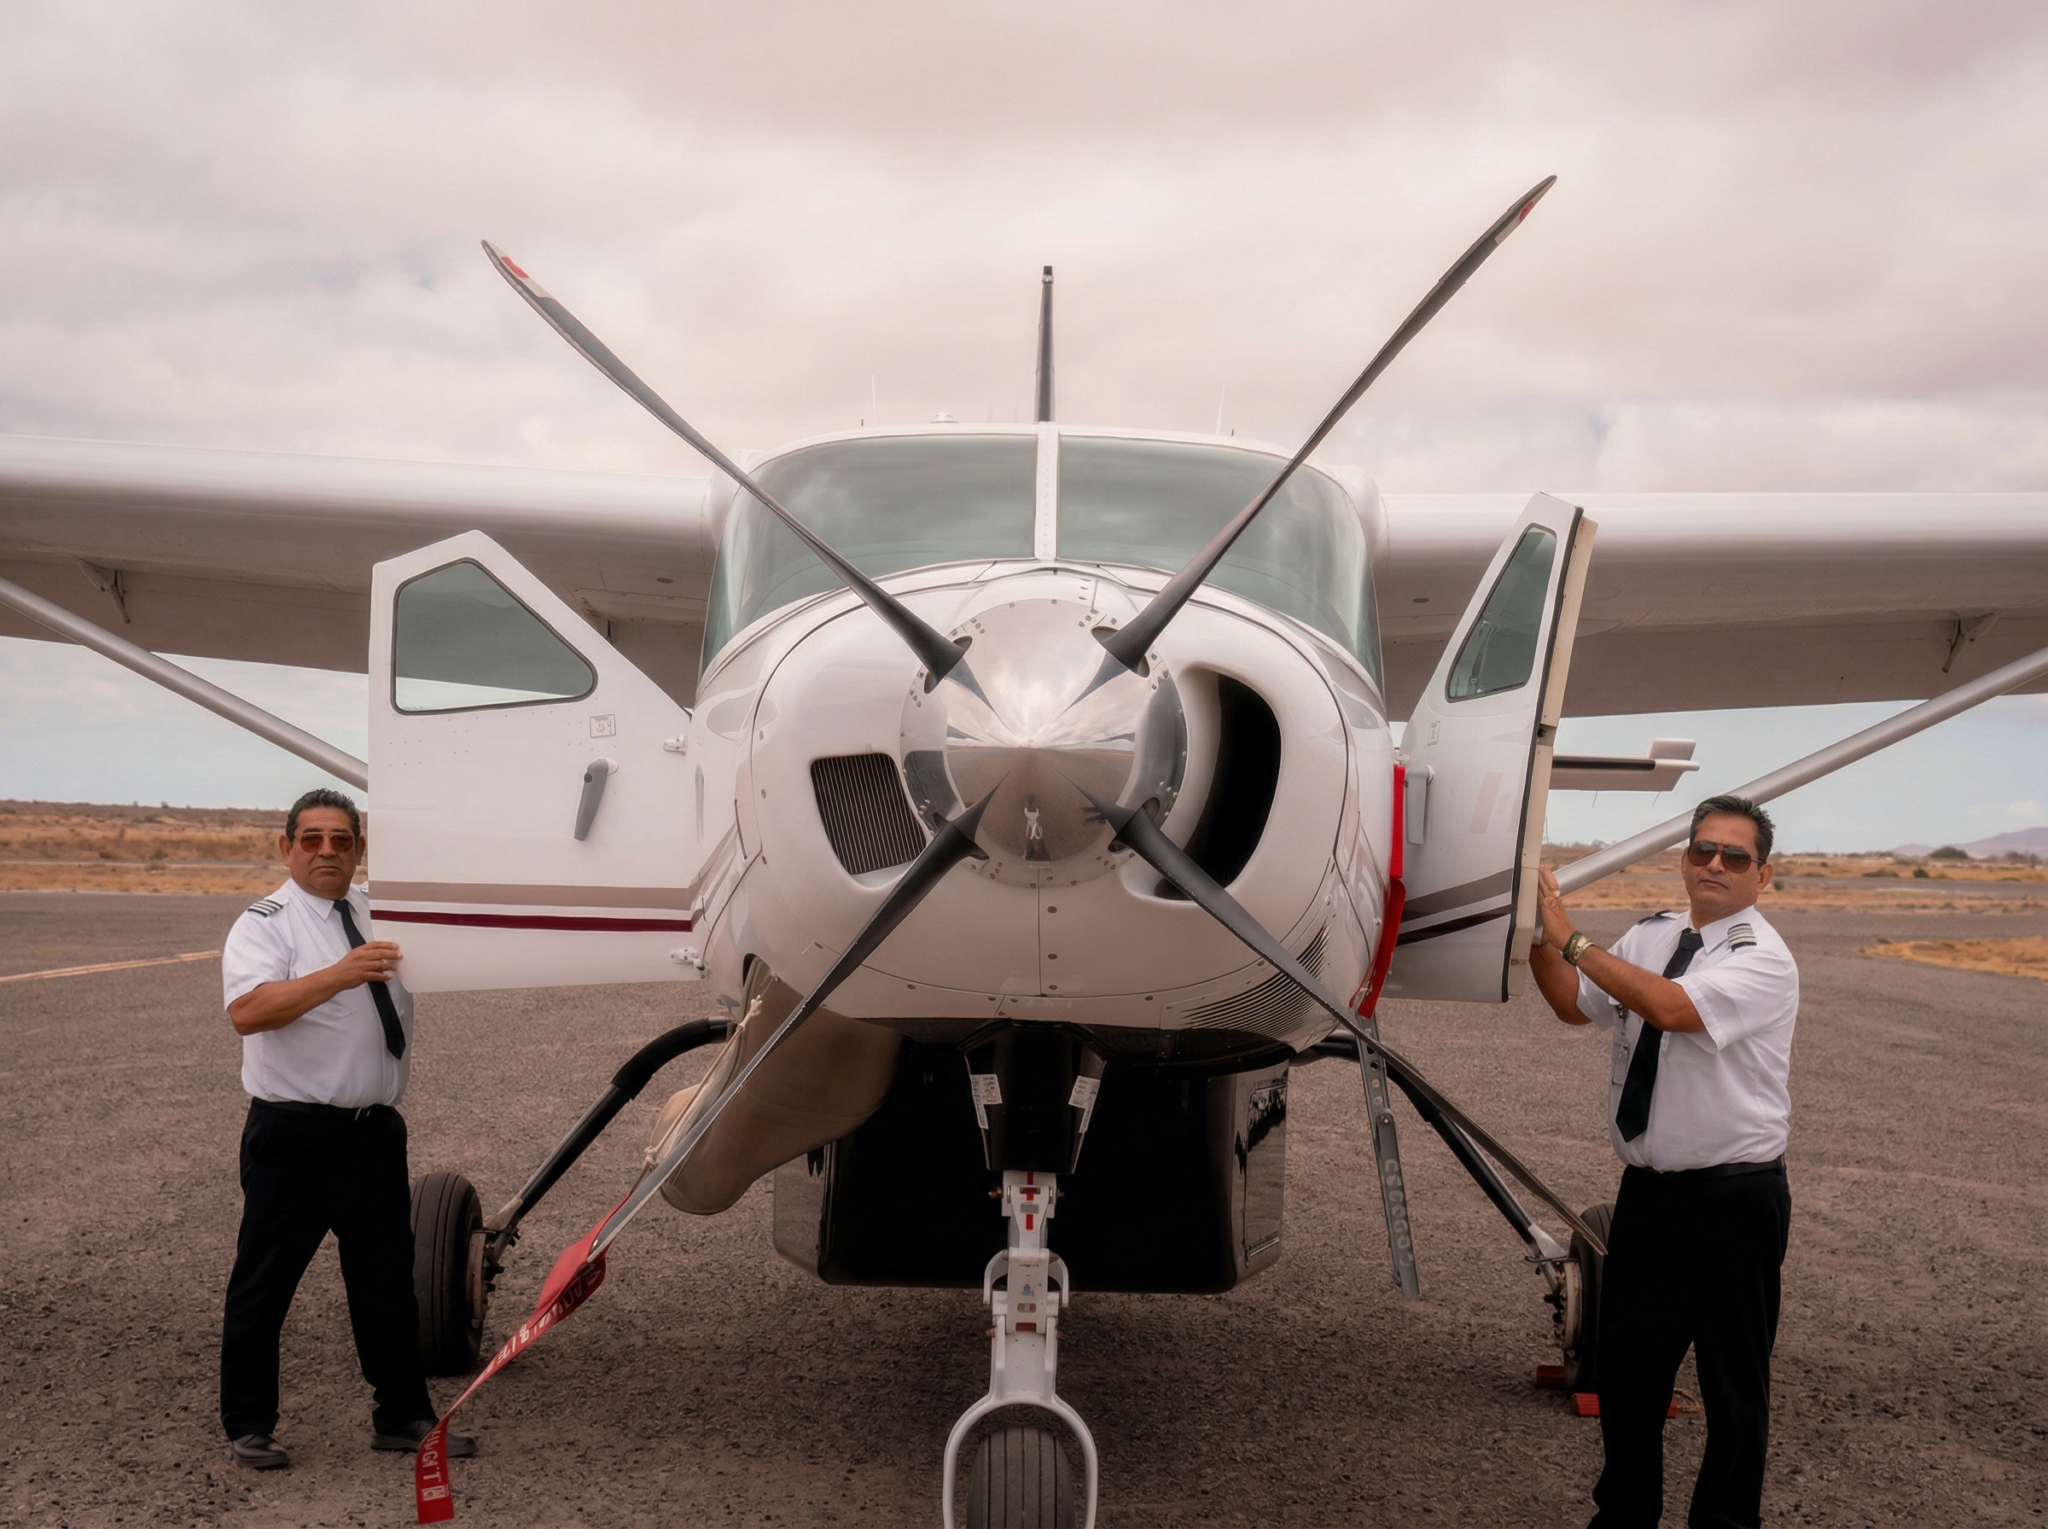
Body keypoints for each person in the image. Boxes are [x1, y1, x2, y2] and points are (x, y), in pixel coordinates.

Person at [1529, 794, 1798, 1529]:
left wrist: (1575, 939)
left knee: (1733, 1385)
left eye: (1734, 856)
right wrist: (1534, 937)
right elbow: (1573, 1003)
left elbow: (1673, 1009)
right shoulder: (1651, 934)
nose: (1715, 863)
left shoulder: (1763, 959)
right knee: (1630, 1377)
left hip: (1736, 1202)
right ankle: (1624, 1517)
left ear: (1762, 875)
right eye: (1703, 849)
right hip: (1649, 1198)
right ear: (1684, 859)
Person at [217, 788, 475, 1470]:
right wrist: (338, 974)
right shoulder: (265, 924)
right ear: (286, 847)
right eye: (311, 839)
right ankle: (248, 1423)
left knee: (387, 1282)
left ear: (359, 848)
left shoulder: (377, 912)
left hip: (371, 1134)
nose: (327, 851)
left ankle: (403, 1414)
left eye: (341, 839)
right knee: (265, 1282)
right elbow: (247, 1011)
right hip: (293, 1136)